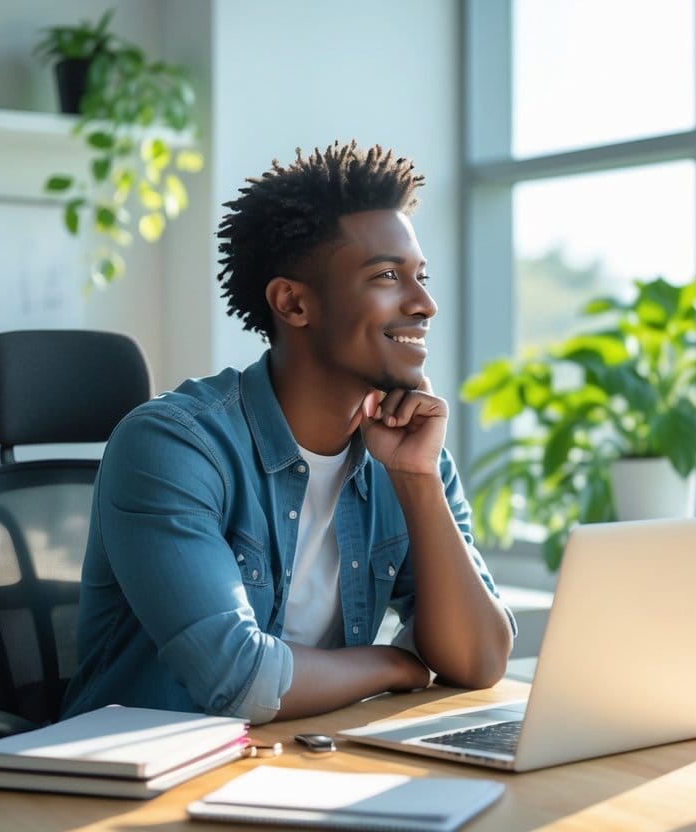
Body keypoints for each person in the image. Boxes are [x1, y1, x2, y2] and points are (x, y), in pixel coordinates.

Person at [62, 141, 516, 724]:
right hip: (137, 786)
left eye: (421, 277)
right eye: (386, 275)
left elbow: (480, 660)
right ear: (294, 303)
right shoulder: (172, 445)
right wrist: (394, 664)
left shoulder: (410, 453)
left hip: (300, 765)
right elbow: (240, 681)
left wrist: (417, 479)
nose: (424, 303)